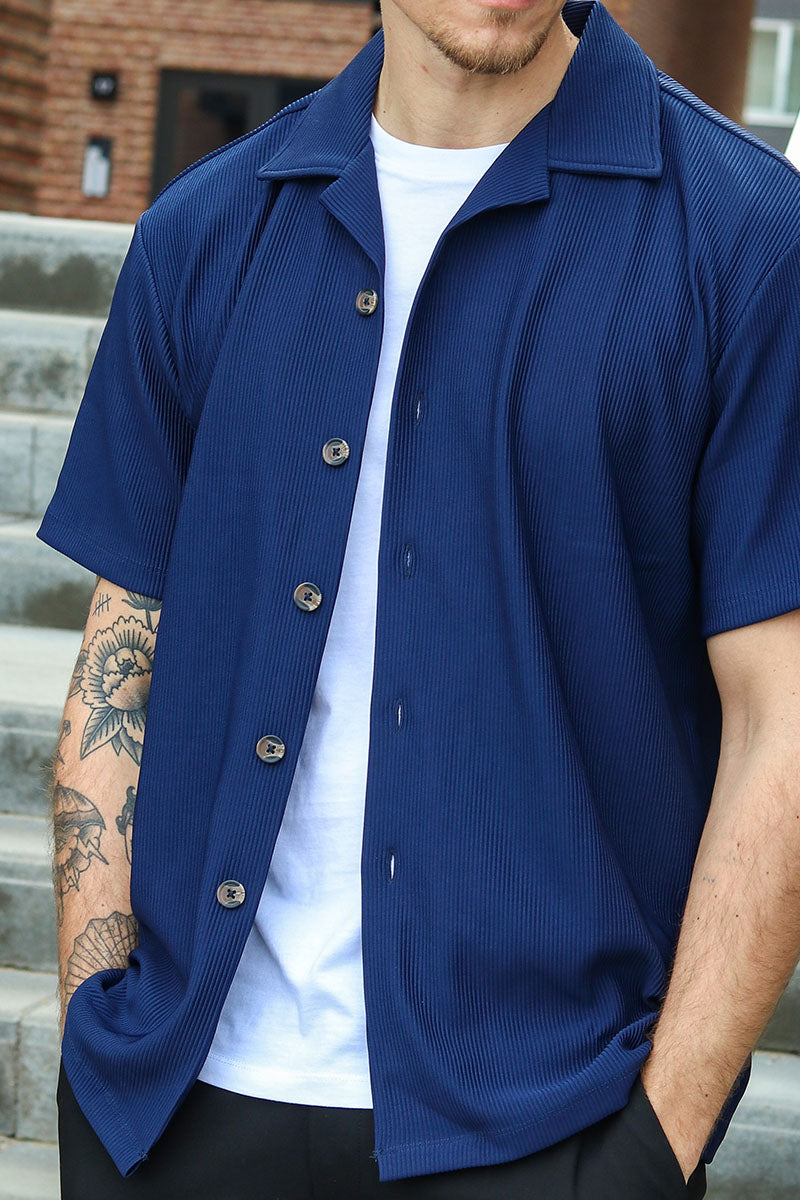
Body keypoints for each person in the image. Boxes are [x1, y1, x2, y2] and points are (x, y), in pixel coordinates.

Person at [39, 1, 800, 1197]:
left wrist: (649, 1156)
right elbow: (116, 668)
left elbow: (781, 723)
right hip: (181, 1114)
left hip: (547, 1126)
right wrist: (100, 1027)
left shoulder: (746, 237)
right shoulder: (203, 232)